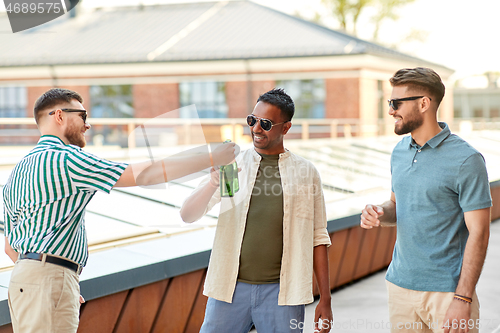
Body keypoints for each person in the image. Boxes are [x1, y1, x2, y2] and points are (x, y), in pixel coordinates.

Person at [2, 88, 238, 333]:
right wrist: (210, 156)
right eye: (83, 116)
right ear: (59, 116)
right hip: (48, 278)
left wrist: (52, 282)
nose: (88, 125)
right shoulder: (68, 159)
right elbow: (146, 174)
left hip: (21, 281)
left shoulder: (17, 172)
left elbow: (10, 247)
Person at [180, 88, 333, 333]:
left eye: (266, 123)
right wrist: (211, 184)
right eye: (252, 120)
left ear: (286, 128)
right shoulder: (232, 166)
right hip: (228, 289)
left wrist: (325, 298)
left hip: (284, 294)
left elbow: (318, 237)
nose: (256, 129)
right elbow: (187, 215)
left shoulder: (306, 173)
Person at [360, 68, 492, 333]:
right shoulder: (399, 151)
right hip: (400, 286)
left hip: (447, 293)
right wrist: (378, 212)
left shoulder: (466, 160)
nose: (390, 111)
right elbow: (396, 206)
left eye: (396, 103)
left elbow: (480, 232)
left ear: (424, 103)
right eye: (389, 102)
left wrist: (463, 297)